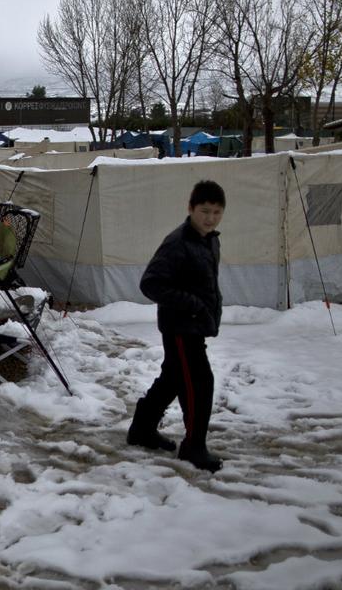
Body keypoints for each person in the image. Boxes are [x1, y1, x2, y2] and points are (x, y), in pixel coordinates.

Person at [128, 180, 226, 472]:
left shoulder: (209, 240)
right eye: (205, 211)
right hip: (181, 328)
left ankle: (142, 429)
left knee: (173, 377)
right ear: (191, 208)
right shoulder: (178, 242)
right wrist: (193, 305)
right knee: (199, 383)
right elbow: (151, 283)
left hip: (195, 325)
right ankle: (194, 446)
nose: (210, 218)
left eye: (217, 212)